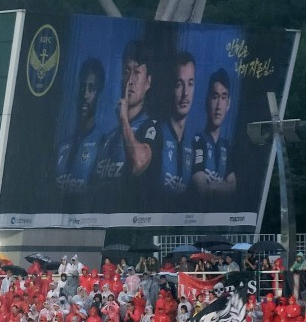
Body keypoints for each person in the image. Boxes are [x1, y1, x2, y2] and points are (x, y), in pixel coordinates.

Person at [92, 40, 157, 212]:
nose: (130, 80)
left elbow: (138, 163)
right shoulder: (108, 137)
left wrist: (124, 119)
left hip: (131, 225)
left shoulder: (152, 128)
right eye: (126, 71)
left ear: (148, 82)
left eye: (137, 72)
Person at [149, 51, 196, 209]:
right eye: (179, 84)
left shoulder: (194, 143)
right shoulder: (156, 134)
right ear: (170, 88)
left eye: (190, 84)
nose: (185, 94)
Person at [55, 57, 106, 196]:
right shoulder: (61, 147)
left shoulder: (103, 144)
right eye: (83, 87)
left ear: (98, 93)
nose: (85, 94)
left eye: (91, 88)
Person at [191, 68, 236, 201]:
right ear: (207, 101)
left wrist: (213, 187)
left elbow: (234, 187)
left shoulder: (226, 147)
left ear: (228, 104)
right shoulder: (197, 141)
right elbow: (202, 189)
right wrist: (224, 186)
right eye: (215, 97)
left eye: (223, 97)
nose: (218, 106)